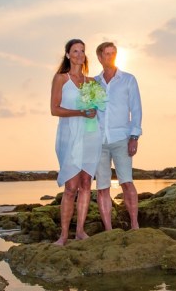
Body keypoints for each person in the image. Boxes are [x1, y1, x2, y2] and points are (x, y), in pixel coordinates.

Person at [50, 38, 99, 245]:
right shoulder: (61, 78)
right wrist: (80, 112)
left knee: (86, 183)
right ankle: (63, 235)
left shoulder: (91, 83)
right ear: (68, 55)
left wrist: (94, 110)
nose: (79, 54)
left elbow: (98, 108)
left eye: (82, 51)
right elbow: (54, 109)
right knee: (71, 186)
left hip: (90, 135)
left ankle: (80, 231)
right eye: (75, 51)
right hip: (69, 134)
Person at [94, 42, 142, 230]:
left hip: (122, 138)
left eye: (114, 53)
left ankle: (134, 225)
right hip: (98, 140)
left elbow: (136, 110)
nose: (111, 57)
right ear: (100, 57)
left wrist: (134, 136)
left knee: (127, 182)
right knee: (103, 186)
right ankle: (108, 230)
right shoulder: (94, 83)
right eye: (107, 54)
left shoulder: (128, 79)